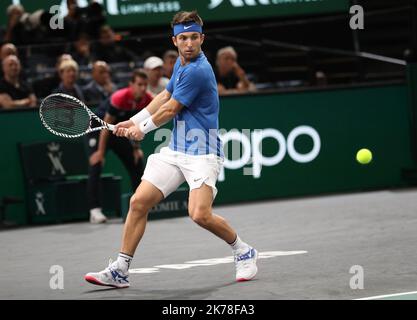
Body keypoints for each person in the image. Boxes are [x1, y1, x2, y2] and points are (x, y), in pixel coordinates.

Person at [85, 11, 258, 288]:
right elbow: (165, 95)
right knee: (138, 202)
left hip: (203, 152)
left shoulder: (199, 69)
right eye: (183, 38)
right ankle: (120, 269)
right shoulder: (180, 63)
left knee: (199, 214)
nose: (188, 44)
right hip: (176, 149)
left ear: (202, 38)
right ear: (175, 40)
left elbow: (171, 108)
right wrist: (134, 119)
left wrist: (142, 129)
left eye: (193, 38)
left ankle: (243, 250)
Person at [85, 69, 152, 223]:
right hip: (99, 130)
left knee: (136, 162)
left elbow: (137, 126)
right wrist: (100, 152)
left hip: (117, 131)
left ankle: (140, 205)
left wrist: (135, 148)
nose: (143, 88)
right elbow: (105, 125)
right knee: (96, 164)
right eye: (139, 84)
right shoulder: (120, 97)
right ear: (131, 85)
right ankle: (94, 211)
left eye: (145, 85)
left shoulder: (147, 99)